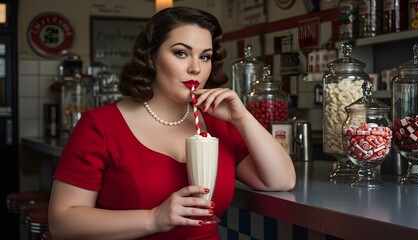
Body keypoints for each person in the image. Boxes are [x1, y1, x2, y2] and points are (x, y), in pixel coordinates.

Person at [48, 6, 295, 240]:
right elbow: (62, 223)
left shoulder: (218, 124)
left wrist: (242, 118)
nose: (196, 68)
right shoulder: (100, 126)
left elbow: (281, 180)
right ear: (151, 57)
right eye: (181, 53)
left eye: (205, 57)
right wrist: (153, 219)